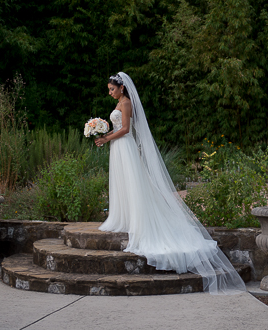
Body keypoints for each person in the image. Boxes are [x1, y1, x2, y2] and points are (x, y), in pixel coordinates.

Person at [94, 72, 246, 295]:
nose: (110, 92)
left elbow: (126, 129)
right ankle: (123, 216)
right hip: (118, 148)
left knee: (132, 183)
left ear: (122, 88)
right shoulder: (119, 102)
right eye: (109, 89)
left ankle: (137, 218)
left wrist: (106, 137)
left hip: (124, 146)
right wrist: (103, 132)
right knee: (122, 184)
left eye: (112, 89)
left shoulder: (126, 103)